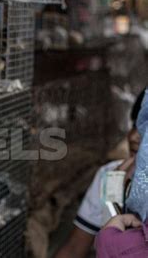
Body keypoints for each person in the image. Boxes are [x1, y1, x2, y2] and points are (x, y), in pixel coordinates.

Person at [55, 90, 145, 258]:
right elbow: (74, 248)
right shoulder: (111, 175)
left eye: (145, 129)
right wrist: (113, 193)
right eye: (134, 125)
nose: (133, 137)